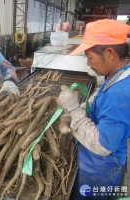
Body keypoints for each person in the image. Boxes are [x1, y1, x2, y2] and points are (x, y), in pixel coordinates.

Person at [56, 19, 130, 199]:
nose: (88, 63)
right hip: (98, 163)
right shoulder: (116, 76)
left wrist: (74, 110)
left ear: (110, 53)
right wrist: (85, 105)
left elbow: (103, 144)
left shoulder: (120, 93)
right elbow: (104, 102)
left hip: (101, 168)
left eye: (89, 57)